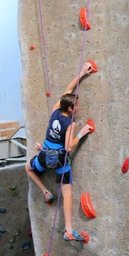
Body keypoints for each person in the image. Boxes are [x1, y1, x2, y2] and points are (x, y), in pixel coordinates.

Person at [25, 61, 95, 241]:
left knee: (28, 168)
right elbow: (68, 147)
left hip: (44, 153)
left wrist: (82, 73)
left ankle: (45, 192)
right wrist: (82, 132)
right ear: (70, 109)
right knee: (67, 192)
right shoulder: (69, 122)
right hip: (59, 160)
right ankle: (69, 230)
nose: (78, 108)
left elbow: (68, 89)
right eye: (76, 106)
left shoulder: (56, 108)